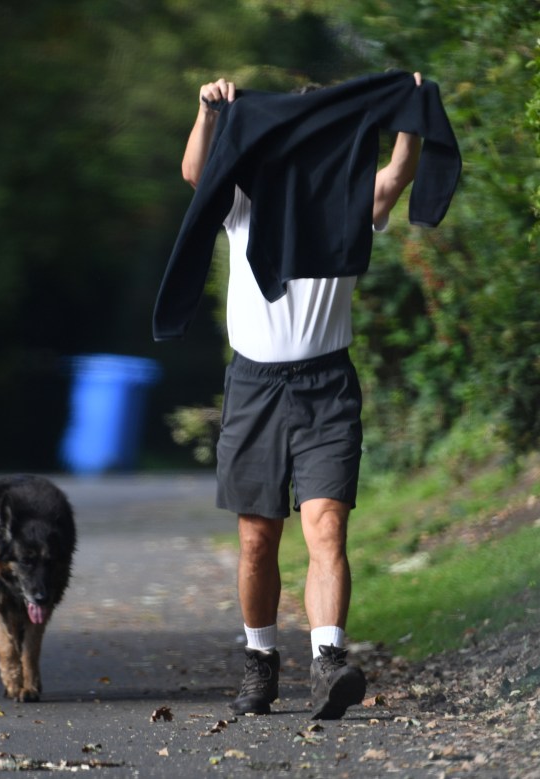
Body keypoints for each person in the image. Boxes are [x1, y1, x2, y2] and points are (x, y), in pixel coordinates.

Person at [181, 73, 424, 719]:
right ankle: (260, 659)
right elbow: (194, 173)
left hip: (326, 385)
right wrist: (208, 112)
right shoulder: (247, 197)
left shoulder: (350, 200)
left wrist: (412, 108)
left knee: (326, 528)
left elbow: (397, 174)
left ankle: (328, 663)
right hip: (254, 385)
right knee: (258, 536)